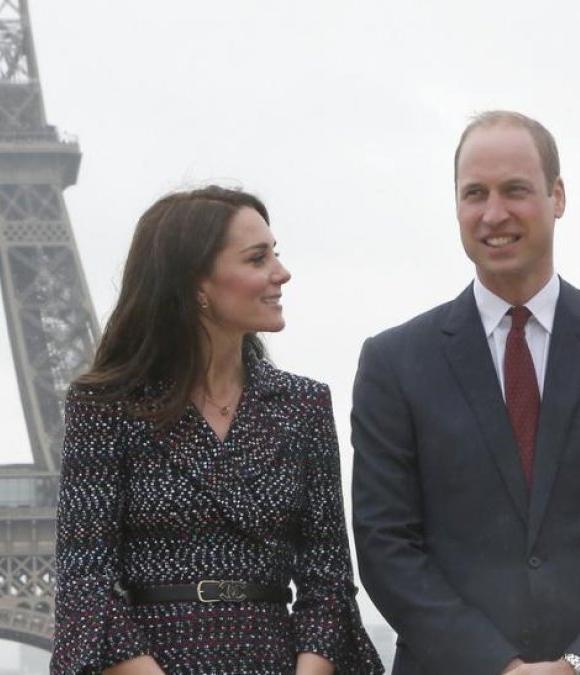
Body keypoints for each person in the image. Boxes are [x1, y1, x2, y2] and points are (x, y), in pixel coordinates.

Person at [351, 111, 580, 675]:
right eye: (474, 194)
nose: (494, 214)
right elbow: (386, 544)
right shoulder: (393, 362)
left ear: (557, 196)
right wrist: (499, 668)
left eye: (515, 190)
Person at [52, 186, 383, 675]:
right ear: (196, 284)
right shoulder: (106, 407)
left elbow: (327, 580)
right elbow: (85, 582)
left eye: (277, 253)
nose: (281, 272)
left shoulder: (304, 405)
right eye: (257, 258)